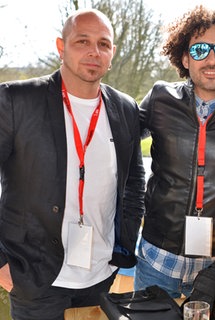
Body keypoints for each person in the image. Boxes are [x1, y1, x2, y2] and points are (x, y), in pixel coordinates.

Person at [0, 9, 145, 320]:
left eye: (104, 44)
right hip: (35, 281)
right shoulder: (15, 100)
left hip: (102, 276)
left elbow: (134, 181)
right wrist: (0, 264)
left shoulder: (126, 108)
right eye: (82, 41)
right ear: (60, 46)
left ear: (112, 53)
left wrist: (124, 244)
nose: (94, 52)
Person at [134, 5, 215, 298]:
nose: (212, 59)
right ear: (184, 57)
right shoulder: (160, 98)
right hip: (158, 259)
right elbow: (114, 140)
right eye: (201, 49)